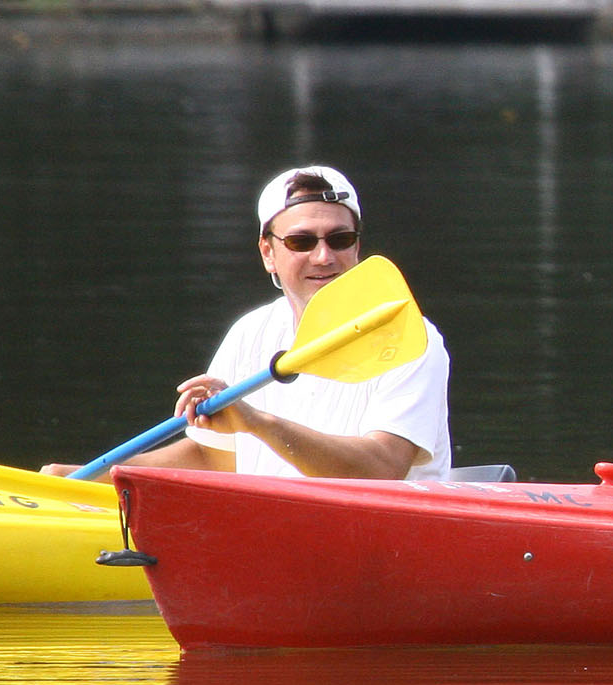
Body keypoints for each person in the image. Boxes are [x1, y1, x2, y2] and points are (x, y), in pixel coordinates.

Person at [46, 165, 452, 481]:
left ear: (357, 245)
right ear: (268, 253)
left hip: (376, 537)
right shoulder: (251, 332)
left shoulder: (412, 339)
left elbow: (382, 469)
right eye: (301, 241)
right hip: (272, 528)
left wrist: (257, 423)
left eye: (339, 239)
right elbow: (213, 458)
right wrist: (98, 478)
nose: (324, 257)